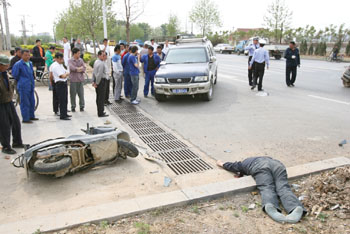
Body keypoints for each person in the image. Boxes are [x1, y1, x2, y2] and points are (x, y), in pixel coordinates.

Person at [217, 157, 306, 223]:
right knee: (283, 187)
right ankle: (295, 207)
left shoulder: (243, 164)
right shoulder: (258, 158)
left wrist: (222, 164)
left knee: (267, 187)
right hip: (277, 164)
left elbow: (233, 166)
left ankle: (271, 206)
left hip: (259, 166)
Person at [0, 54, 23, 155]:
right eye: (5, 65)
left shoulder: (4, 73)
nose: (7, 66)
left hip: (8, 101)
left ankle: (17, 142)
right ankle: (6, 146)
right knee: (4, 125)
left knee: (16, 122)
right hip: (1, 103)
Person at [12, 49, 39, 123]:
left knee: (31, 101)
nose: (27, 57)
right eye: (25, 55)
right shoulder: (18, 64)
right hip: (23, 85)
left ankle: (31, 115)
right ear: (21, 55)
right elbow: (15, 75)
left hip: (30, 85)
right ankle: (26, 118)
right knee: (24, 102)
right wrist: (22, 81)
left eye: (28, 55)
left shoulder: (30, 63)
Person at [51, 52, 71, 120]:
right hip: (60, 83)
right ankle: (62, 115)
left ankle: (65, 113)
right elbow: (62, 75)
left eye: (62, 58)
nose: (61, 60)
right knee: (62, 100)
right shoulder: (55, 66)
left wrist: (66, 74)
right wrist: (66, 74)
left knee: (65, 99)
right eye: (60, 59)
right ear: (56, 59)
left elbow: (66, 72)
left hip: (64, 83)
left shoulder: (60, 65)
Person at [69, 48, 86, 112]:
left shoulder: (81, 60)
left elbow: (84, 68)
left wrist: (78, 69)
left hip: (80, 80)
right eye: (78, 53)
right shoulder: (70, 60)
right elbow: (72, 68)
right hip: (73, 80)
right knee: (73, 94)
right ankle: (73, 106)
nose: (79, 54)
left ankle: (82, 106)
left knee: (81, 94)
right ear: (74, 54)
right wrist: (78, 69)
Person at [92, 51, 109, 117]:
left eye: (104, 55)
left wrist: (93, 81)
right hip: (101, 81)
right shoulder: (101, 63)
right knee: (101, 98)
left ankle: (100, 111)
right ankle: (100, 112)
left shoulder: (96, 62)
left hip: (98, 81)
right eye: (103, 55)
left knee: (99, 97)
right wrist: (96, 83)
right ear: (99, 55)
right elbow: (99, 74)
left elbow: (94, 72)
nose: (104, 56)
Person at [101, 38, 112, 105]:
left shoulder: (108, 59)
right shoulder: (101, 62)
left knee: (107, 88)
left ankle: (107, 100)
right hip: (103, 77)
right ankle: (104, 101)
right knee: (104, 89)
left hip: (108, 76)